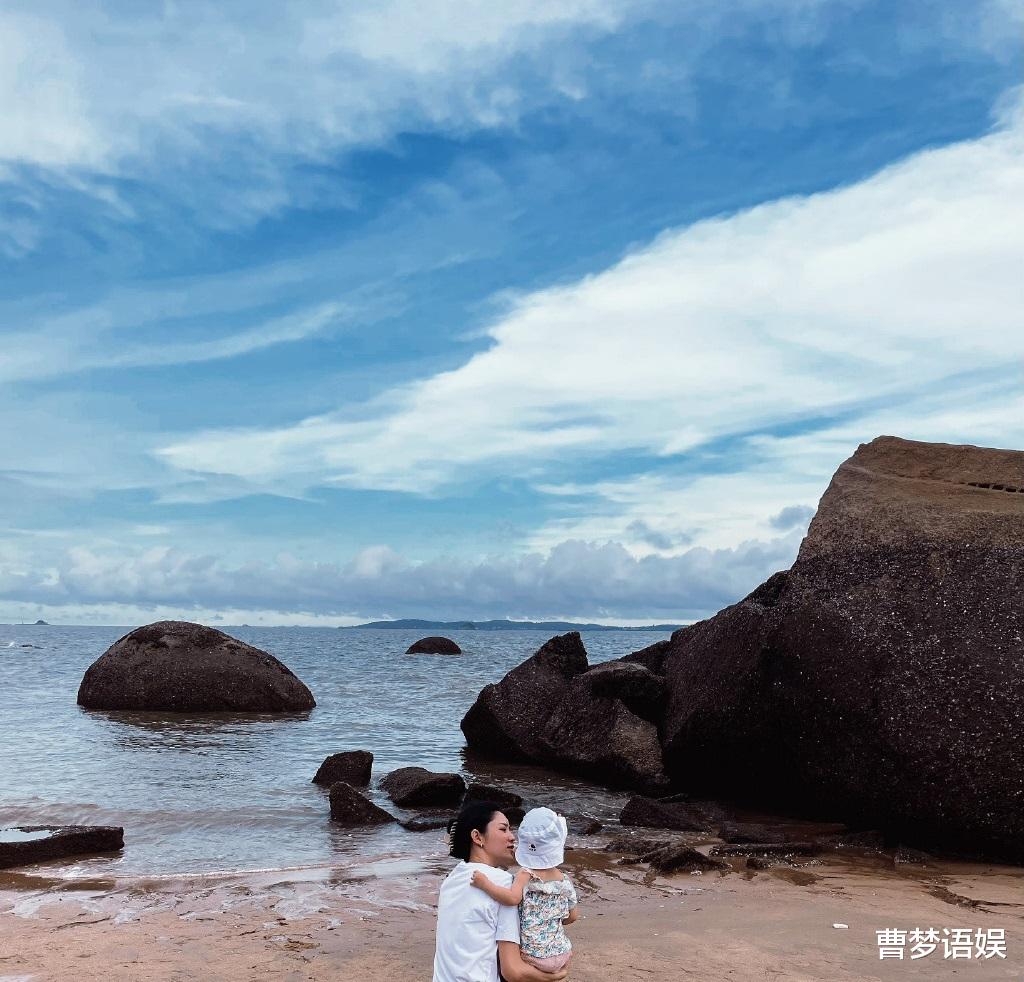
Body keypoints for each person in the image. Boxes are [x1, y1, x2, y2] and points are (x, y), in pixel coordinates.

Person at [433, 801, 569, 982]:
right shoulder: (502, 883)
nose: (512, 837)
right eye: (503, 829)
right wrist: (555, 975)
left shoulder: (452, 879)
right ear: (477, 837)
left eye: (511, 830)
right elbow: (513, 971)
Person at [470, 808, 577, 974]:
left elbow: (512, 898)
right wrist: (549, 920)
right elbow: (572, 916)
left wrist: (485, 884)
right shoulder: (564, 880)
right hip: (562, 953)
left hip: (534, 956)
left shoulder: (525, 875)